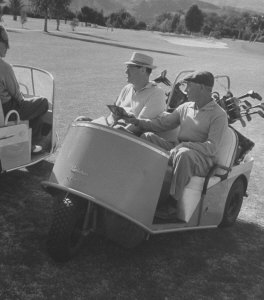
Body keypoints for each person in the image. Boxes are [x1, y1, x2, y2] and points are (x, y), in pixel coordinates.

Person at [124, 71, 228, 219]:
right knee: (147, 137)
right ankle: (136, 184)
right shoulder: (186, 107)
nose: (186, 90)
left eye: (190, 86)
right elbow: (163, 124)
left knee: (183, 153)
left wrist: (186, 145)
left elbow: (212, 147)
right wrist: (138, 122)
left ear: (203, 88)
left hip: (202, 159)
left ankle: (172, 204)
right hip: (179, 150)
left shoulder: (219, 115)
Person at [84, 52, 166, 131]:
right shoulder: (127, 88)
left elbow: (140, 125)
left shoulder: (157, 93)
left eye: (130, 68)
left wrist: (114, 130)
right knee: (81, 120)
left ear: (143, 70)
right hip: (112, 127)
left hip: (127, 136)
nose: (126, 72)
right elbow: (111, 117)